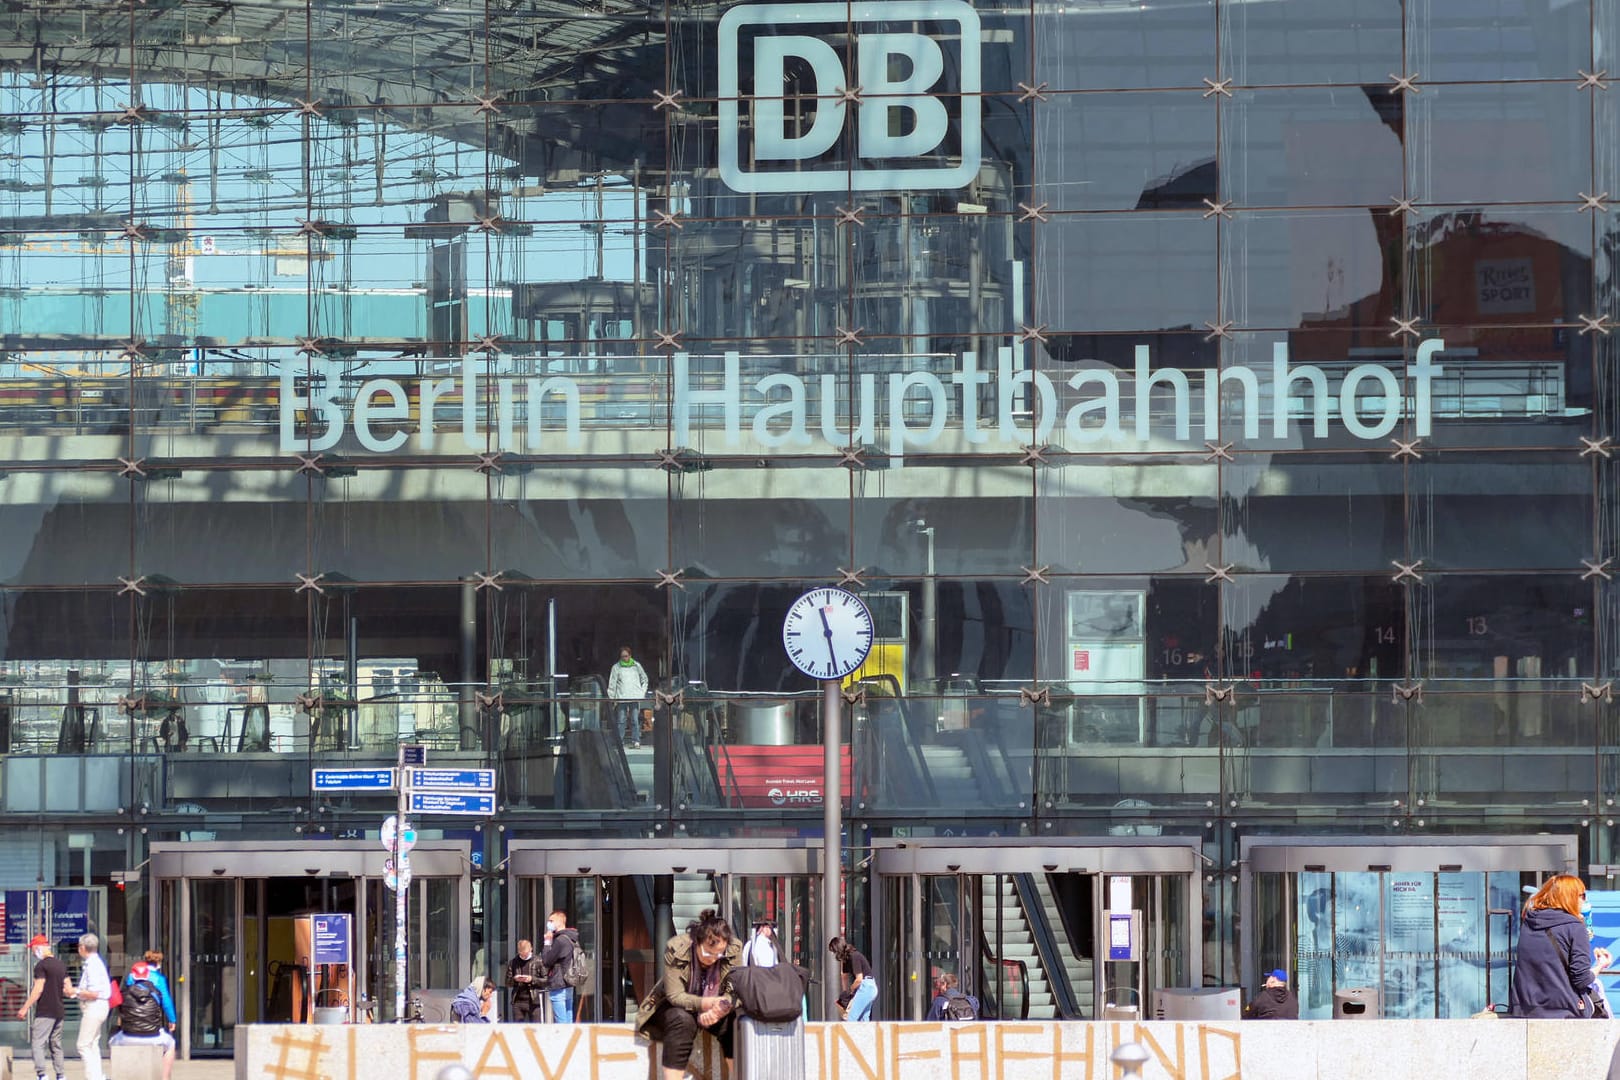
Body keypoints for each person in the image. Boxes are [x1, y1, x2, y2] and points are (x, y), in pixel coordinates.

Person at [635, 909, 740, 1080]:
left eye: (718, 954)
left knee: (734, 1022)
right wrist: (707, 1003)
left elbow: (734, 988)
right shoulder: (677, 948)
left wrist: (720, 1009)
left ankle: (737, 1076)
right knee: (682, 1021)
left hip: (715, 1006)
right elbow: (675, 995)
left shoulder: (733, 949)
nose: (713, 959)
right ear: (697, 942)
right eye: (707, 953)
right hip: (674, 1005)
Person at [1510, 873, 1611, 1017]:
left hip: (1524, 1009)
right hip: (1563, 1010)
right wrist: (1600, 965)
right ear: (1569, 897)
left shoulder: (1529, 922)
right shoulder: (1575, 927)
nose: (1585, 900)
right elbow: (1581, 979)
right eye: (1582, 895)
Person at [110, 961, 175, 1080]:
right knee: (171, 1044)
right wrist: (172, 1020)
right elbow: (165, 1004)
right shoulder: (156, 992)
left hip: (128, 1036)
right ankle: (164, 1078)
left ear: (132, 976)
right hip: (153, 1036)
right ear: (147, 975)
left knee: (112, 1042)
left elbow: (117, 1008)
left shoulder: (123, 993)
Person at [16, 934, 70, 1080]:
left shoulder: (41, 966)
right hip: (59, 1011)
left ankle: (42, 1075)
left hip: (45, 1011)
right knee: (56, 1044)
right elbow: (68, 989)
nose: (33, 953)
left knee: (38, 1043)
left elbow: (38, 989)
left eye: (33, 949)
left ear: (38, 947)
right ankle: (60, 1075)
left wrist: (25, 1007)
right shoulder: (61, 965)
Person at [72, 933, 111, 1080]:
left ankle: (93, 1077)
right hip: (98, 1006)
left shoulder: (93, 965)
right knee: (93, 1043)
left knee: (83, 1045)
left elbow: (94, 993)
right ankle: (98, 1075)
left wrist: (75, 991)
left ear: (82, 947)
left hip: (94, 1006)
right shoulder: (94, 963)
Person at [540, 910, 580, 1023]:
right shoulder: (572, 938)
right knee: (568, 1017)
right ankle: (570, 1039)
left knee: (561, 1022)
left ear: (559, 922)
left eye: (551, 921)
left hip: (559, 982)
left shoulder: (560, 940)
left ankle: (564, 1040)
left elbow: (547, 961)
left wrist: (547, 943)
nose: (549, 923)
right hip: (569, 982)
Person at [607, 645, 649, 749]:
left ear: (630, 655)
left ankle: (636, 741)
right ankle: (620, 741)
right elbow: (612, 684)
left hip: (634, 697)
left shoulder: (636, 666)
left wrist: (641, 693)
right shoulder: (616, 667)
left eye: (626, 656)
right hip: (621, 698)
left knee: (634, 720)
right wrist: (612, 698)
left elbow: (645, 679)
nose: (624, 658)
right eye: (622, 656)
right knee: (621, 720)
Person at [829, 936, 875, 1021]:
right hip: (867, 987)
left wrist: (850, 990)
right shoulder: (846, 958)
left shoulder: (854, 956)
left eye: (834, 952)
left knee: (851, 1017)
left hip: (866, 986)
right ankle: (865, 1034)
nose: (834, 955)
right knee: (863, 1019)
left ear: (838, 949)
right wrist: (845, 994)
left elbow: (859, 979)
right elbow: (844, 976)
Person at [506, 939, 545, 1022]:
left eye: (526, 954)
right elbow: (507, 982)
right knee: (518, 1028)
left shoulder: (538, 961)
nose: (523, 956)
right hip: (518, 1000)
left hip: (534, 1001)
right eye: (521, 954)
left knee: (536, 1028)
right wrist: (515, 979)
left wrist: (532, 979)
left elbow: (546, 980)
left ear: (531, 949)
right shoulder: (513, 962)